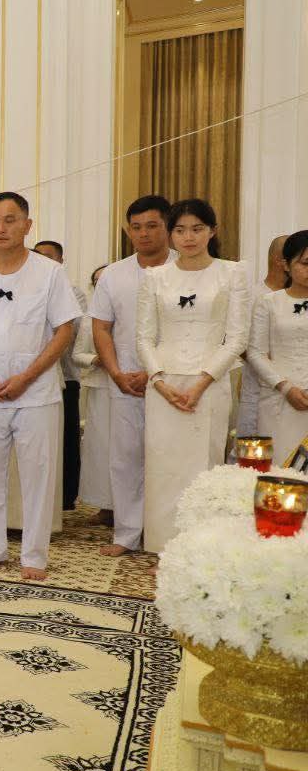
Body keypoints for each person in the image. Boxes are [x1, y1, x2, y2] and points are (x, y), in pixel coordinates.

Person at [0, 192, 81, 581]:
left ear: (27, 225)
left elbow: (64, 330)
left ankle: (34, 555)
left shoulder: (49, 273)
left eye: (10, 220)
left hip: (35, 393)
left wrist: (27, 376)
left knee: (38, 476)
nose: (1, 228)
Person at [136, 198, 249, 555]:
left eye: (197, 229)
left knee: (204, 466)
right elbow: (144, 337)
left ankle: (199, 549)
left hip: (210, 383)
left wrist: (202, 381)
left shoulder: (232, 273)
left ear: (212, 231)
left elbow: (237, 339)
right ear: (170, 234)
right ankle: (161, 546)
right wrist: (158, 380)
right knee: (163, 467)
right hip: (164, 384)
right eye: (180, 230)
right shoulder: (155, 276)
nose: (189, 237)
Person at [89, 195, 175, 557]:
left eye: (152, 226)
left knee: (168, 458)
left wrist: (155, 373)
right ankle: (126, 534)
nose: (143, 234)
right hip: (123, 379)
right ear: (128, 231)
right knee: (125, 458)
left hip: (173, 379)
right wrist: (116, 372)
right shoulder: (114, 274)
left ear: (168, 227)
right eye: (136, 227)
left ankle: (167, 535)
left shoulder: (184, 268)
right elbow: (101, 327)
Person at [246, 230, 308, 468]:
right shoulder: (269, 302)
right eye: (305, 263)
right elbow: (255, 353)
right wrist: (286, 388)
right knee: (279, 469)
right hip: (279, 397)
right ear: (286, 264)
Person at [34, 240, 84, 510]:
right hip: (30, 379)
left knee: (66, 439)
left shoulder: (74, 293)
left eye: (49, 257)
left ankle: (66, 496)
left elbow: (72, 331)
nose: (42, 261)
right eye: (38, 256)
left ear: (61, 261)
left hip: (66, 375)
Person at [237, 235, 290, 436]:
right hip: (257, 391)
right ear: (280, 261)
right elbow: (237, 341)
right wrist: (266, 362)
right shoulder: (251, 295)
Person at [74, 265, 114, 526]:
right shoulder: (89, 318)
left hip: (132, 386)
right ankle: (105, 506)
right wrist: (96, 359)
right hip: (100, 386)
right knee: (100, 447)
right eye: (97, 282)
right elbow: (77, 354)